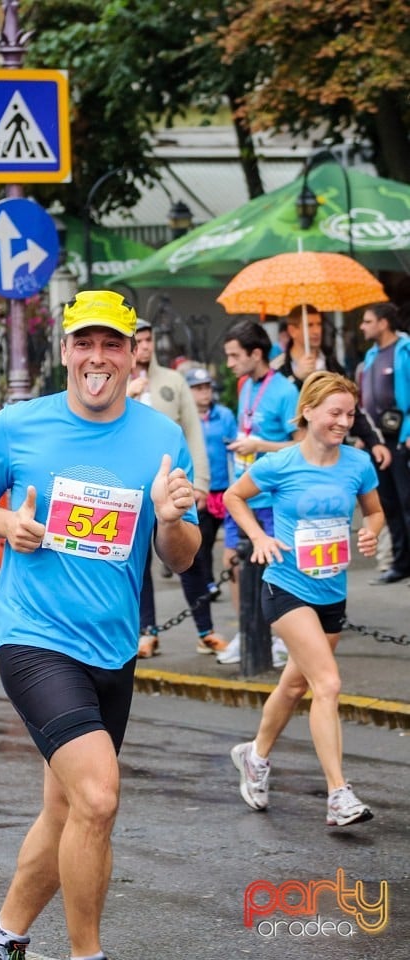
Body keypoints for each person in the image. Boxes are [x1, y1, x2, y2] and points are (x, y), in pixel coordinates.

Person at [0, 289, 200, 960]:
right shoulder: (18, 426)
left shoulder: (160, 437)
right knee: (97, 797)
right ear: (65, 351)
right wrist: (8, 523)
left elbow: (178, 557)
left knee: (65, 811)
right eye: (84, 343)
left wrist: (173, 518)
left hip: (113, 647)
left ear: (132, 353)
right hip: (34, 638)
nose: (98, 357)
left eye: (112, 344)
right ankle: (86, 954)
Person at [223, 371, 384, 826]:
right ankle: (339, 795)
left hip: (331, 591)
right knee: (327, 684)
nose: (343, 421)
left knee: (295, 685)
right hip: (286, 585)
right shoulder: (281, 464)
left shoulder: (356, 463)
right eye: (334, 412)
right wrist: (259, 537)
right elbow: (235, 496)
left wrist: (370, 533)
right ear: (308, 411)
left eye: (349, 414)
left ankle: (255, 756)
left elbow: (374, 512)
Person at [218, 320, 303, 667]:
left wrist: (259, 444)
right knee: (234, 563)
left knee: (274, 568)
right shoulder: (245, 386)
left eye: (235, 355)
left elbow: (299, 445)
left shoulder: (285, 390)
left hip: (271, 497)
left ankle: (283, 636)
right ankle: (246, 630)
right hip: (241, 490)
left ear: (256, 353)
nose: (229, 363)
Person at [126, 317, 209, 657]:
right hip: (130, 490)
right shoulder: (115, 384)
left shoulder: (173, 381)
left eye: (148, 339)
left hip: (172, 486)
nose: (145, 346)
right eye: (138, 340)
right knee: (139, 562)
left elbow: (192, 432)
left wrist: (201, 481)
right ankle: (147, 631)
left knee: (189, 559)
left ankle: (207, 629)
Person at [271, 304, 391, 468]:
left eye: (319, 324)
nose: (316, 331)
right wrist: (296, 378)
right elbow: (279, 412)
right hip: (296, 458)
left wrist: (373, 441)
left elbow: (351, 407)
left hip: (336, 453)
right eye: (309, 325)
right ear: (293, 331)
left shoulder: (332, 364)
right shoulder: (278, 369)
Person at [179, 366, 237, 653]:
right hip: (196, 492)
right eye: (198, 388)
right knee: (199, 548)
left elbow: (234, 449)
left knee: (224, 542)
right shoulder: (186, 420)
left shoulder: (224, 416)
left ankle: (212, 581)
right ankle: (209, 582)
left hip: (222, 488)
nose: (204, 392)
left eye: (207, 387)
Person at [359, 302, 410, 584]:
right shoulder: (370, 356)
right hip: (377, 442)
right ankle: (401, 563)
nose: (362, 327)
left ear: (383, 323)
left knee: (407, 502)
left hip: (402, 439)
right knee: (388, 503)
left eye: (367, 321)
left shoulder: (405, 350)